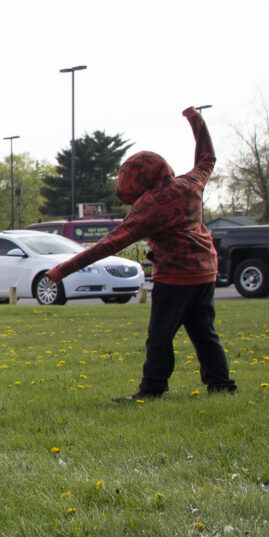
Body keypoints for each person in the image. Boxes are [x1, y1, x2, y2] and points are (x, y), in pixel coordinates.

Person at [45, 107, 236, 402]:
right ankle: (221, 384)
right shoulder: (191, 183)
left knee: (160, 336)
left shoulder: (151, 206)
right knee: (203, 331)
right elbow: (207, 158)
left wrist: (62, 270)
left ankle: (152, 390)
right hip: (205, 271)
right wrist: (196, 120)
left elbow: (109, 243)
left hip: (175, 276)